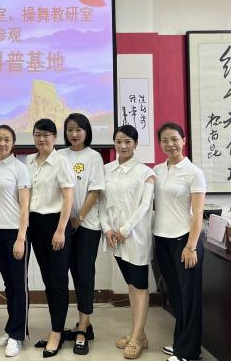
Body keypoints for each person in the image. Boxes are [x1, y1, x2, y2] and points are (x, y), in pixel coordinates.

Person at [99, 125, 155, 359]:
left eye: (128, 142)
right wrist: (107, 228)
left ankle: (137, 337)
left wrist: (125, 229)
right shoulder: (106, 170)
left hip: (136, 237)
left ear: (135, 144)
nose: (122, 146)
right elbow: (102, 202)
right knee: (131, 285)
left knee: (140, 286)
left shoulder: (145, 172)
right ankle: (138, 333)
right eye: (119, 141)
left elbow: (145, 205)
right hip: (115, 238)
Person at [153, 122, 206, 361]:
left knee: (189, 298)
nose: (170, 144)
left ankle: (189, 352)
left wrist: (191, 246)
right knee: (175, 295)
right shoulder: (157, 170)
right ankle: (180, 343)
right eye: (164, 140)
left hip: (184, 241)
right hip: (162, 240)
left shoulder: (194, 172)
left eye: (174, 139)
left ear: (183, 141)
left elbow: (197, 213)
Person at [27, 118, 75, 358]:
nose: (42, 139)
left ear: (55, 138)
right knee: (48, 279)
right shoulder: (28, 161)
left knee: (57, 281)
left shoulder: (61, 161)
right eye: (38, 134)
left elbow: (68, 197)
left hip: (56, 224)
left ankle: (57, 333)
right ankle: (55, 327)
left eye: (46, 135)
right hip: (34, 225)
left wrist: (60, 230)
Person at [58, 113, 105, 355]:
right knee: (66, 274)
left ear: (87, 132)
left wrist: (79, 217)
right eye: (70, 130)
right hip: (64, 224)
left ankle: (83, 328)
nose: (74, 134)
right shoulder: (60, 155)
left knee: (84, 274)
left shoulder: (93, 156)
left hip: (87, 225)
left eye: (78, 130)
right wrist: (66, 221)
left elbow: (95, 191)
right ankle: (82, 323)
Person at [0, 125, 31, 357]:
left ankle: (17, 335)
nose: (2, 143)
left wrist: (21, 238)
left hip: (15, 233)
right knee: (8, 284)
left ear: (13, 143)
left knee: (19, 285)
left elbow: (25, 205)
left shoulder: (20, 168)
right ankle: (12, 327)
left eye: (7, 139)